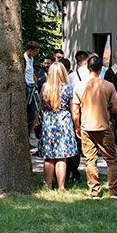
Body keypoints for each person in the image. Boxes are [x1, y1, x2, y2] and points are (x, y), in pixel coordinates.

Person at [74, 55, 117, 199]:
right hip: (103, 126)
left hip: (86, 127)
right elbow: (116, 107)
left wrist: (77, 127)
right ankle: (114, 191)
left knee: (90, 160)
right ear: (101, 69)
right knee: (111, 160)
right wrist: (107, 108)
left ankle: (94, 191)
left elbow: (75, 111)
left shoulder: (79, 85)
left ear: (87, 68)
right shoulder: (108, 85)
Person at [38, 62, 78, 191]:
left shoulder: (45, 88)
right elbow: (73, 109)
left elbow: (42, 108)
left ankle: (48, 186)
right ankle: (61, 186)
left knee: (49, 157)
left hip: (49, 121)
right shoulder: (67, 89)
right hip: (64, 122)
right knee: (62, 157)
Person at [24, 41, 40, 138]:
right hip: (27, 87)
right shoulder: (23, 59)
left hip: (31, 86)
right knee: (28, 111)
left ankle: (30, 132)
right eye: (35, 50)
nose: (37, 52)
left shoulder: (31, 59)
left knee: (33, 112)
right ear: (30, 50)